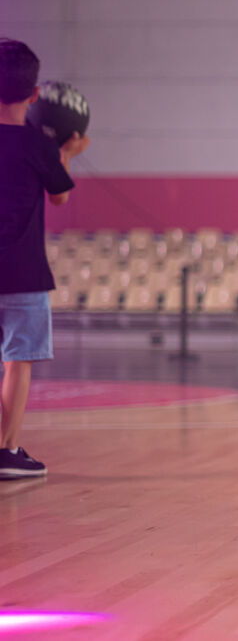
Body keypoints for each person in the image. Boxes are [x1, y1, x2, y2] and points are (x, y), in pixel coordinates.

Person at [0, 38, 89, 479]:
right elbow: (59, 197)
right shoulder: (38, 146)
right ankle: (7, 449)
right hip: (25, 275)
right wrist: (67, 155)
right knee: (18, 359)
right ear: (34, 95)